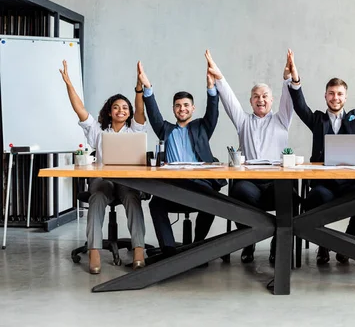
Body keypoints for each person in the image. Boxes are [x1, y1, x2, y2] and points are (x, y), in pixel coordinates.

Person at [287, 52, 355, 264]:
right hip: (323, 185)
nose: (335, 98)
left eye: (340, 94)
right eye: (331, 93)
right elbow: (299, 106)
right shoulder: (316, 120)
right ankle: (323, 244)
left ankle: (347, 242)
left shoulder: (354, 119)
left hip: (348, 184)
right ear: (325, 96)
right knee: (314, 199)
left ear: (345, 97)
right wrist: (295, 79)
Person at [205, 49, 294, 264]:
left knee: (288, 194)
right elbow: (229, 101)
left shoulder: (282, 119)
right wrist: (219, 77)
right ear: (251, 101)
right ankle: (249, 239)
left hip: (276, 181)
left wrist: (287, 79)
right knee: (238, 191)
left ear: (272, 101)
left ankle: (278, 242)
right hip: (251, 183)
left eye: (264, 96)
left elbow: (289, 99)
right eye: (256, 96)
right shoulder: (243, 121)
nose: (260, 100)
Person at [59, 60, 148, 274]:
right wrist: (69, 84)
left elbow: (139, 108)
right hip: (103, 179)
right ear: (109, 112)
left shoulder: (135, 129)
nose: (121, 110)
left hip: (127, 179)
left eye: (124, 108)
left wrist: (138, 88)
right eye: (116, 107)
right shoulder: (97, 130)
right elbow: (79, 109)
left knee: (132, 197)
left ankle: (138, 249)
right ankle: (94, 249)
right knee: (97, 196)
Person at [138, 56, 227, 258]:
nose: (182, 108)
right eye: (178, 105)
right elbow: (153, 115)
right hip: (173, 185)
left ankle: (197, 247)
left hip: (199, 183)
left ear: (192, 108)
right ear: (174, 109)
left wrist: (211, 88)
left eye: (186, 105)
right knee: (155, 204)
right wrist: (148, 88)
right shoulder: (165, 129)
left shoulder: (202, 128)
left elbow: (213, 112)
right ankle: (169, 251)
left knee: (212, 200)